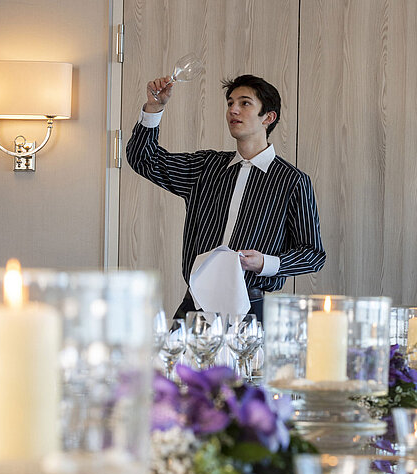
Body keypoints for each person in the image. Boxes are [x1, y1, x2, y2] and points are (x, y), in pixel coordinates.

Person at [125, 72, 326, 322]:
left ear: (269, 117)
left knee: (248, 364)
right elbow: (144, 160)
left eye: (244, 103)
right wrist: (154, 108)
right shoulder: (205, 167)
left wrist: (264, 263)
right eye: (230, 103)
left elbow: (313, 254)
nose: (233, 110)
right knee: (177, 363)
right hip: (196, 305)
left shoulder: (292, 181)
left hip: (252, 309)